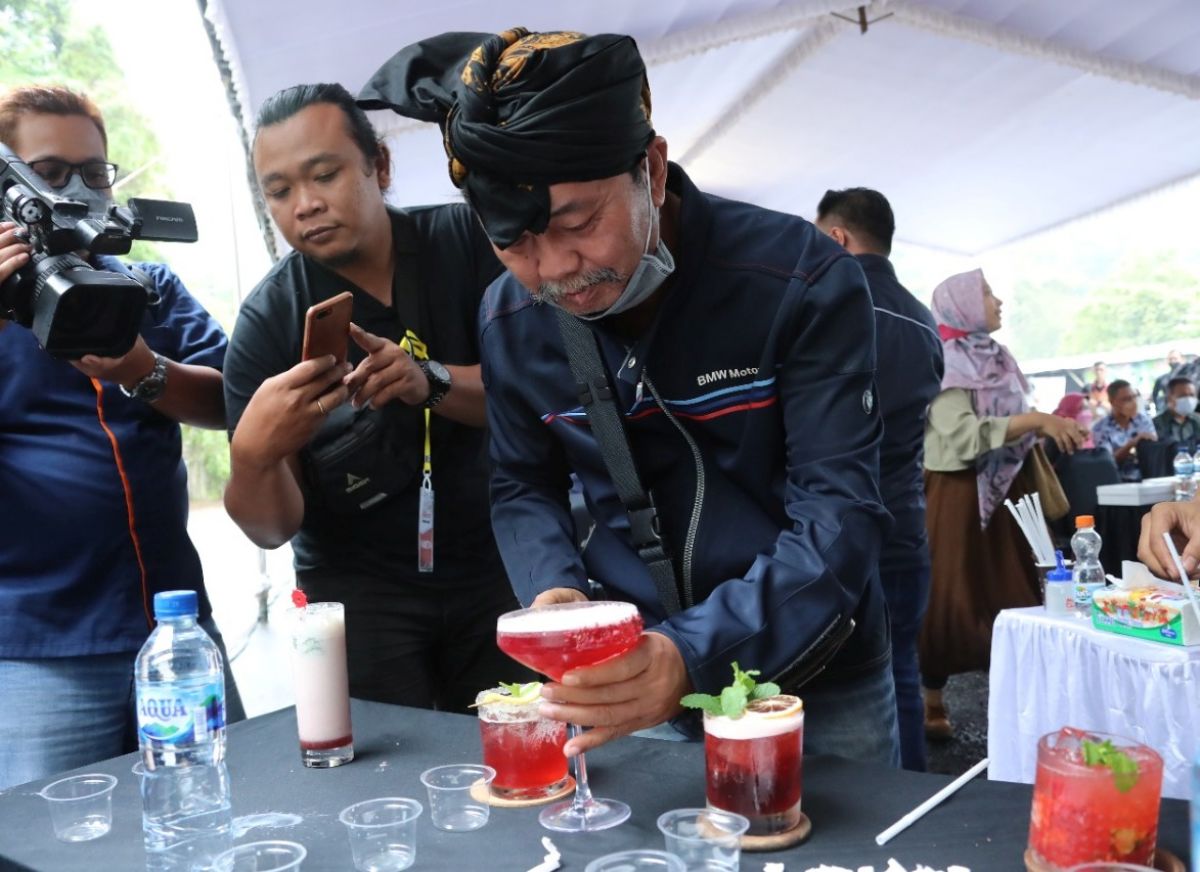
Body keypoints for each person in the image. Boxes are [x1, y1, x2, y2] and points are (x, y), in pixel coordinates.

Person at [358, 28, 901, 765]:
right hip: (623, 678)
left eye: (579, 223)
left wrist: (689, 654)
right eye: (511, 244)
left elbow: (841, 514)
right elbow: (522, 482)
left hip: (809, 676)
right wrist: (551, 589)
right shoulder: (511, 319)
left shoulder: (798, 282)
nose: (555, 271)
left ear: (651, 166)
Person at [222, 83, 524, 713]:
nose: (305, 205)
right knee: (387, 782)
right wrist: (255, 458)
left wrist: (429, 380)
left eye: (325, 175)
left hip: (501, 562)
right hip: (357, 595)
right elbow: (270, 528)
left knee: (520, 757)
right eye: (278, 192)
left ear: (379, 166)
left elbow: (542, 404)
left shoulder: (471, 244)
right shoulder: (268, 320)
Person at [0, 85, 242, 789]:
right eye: (47, 173)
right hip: (40, 654)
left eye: (93, 171)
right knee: (55, 845)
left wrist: (143, 368)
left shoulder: (150, 284)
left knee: (215, 813)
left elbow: (237, 400)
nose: (75, 189)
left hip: (177, 629)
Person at [919, 269, 1086, 740]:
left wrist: (1046, 425)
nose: (998, 300)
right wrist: (1034, 419)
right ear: (963, 305)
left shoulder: (999, 358)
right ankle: (933, 700)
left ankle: (1020, 704)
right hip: (958, 493)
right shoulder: (946, 362)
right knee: (952, 598)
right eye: (987, 293)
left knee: (1014, 594)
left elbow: (1013, 421)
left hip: (1010, 489)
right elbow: (958, 439)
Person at [814, 187, 943, 772]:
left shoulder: (825, 303)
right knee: (903, 670)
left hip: (842, 531)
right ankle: (912, 800)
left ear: (837, 237)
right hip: (907, 520)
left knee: (845, 687)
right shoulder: (924, 320)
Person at [1091, 380, 1156, 482]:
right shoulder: (1101, 428)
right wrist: (1132, 443)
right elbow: (1108, 461)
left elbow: (1153, 445)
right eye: (1126, 399)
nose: (1133, 402)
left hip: (1148, 478)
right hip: (1118, 482)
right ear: (1112, 402)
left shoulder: (1142, 420)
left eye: (1134, 397)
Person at [1152, 376, 1200, 449]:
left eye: (1192, 395)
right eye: (1182, 395)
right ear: (1169, 398)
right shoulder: (1156, 425)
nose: (1188, 400)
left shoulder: (1197, 420)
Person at [1151, 349, 1184, 414]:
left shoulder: (1191, 376)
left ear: (1182, 359)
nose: (1173, 361)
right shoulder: (1162, 379)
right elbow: (1154, 395)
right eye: (1170, 359)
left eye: (1175, 358)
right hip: (1168, 411)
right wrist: (1159, 407)